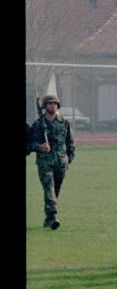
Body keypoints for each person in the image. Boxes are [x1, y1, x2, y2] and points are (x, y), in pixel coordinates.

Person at [29, 93, 74, 229]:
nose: (53, 106)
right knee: (49, 189)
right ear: (44, 106)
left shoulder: (64, 123)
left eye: (55, 103)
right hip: (45, 162)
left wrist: (68, 160)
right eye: (50, 103)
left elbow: (70, 143)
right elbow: (29, 144)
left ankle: (48, 217)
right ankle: (53, 217)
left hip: (60, 163)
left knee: (55, 191)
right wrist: (39, 147)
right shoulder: (38, 124)